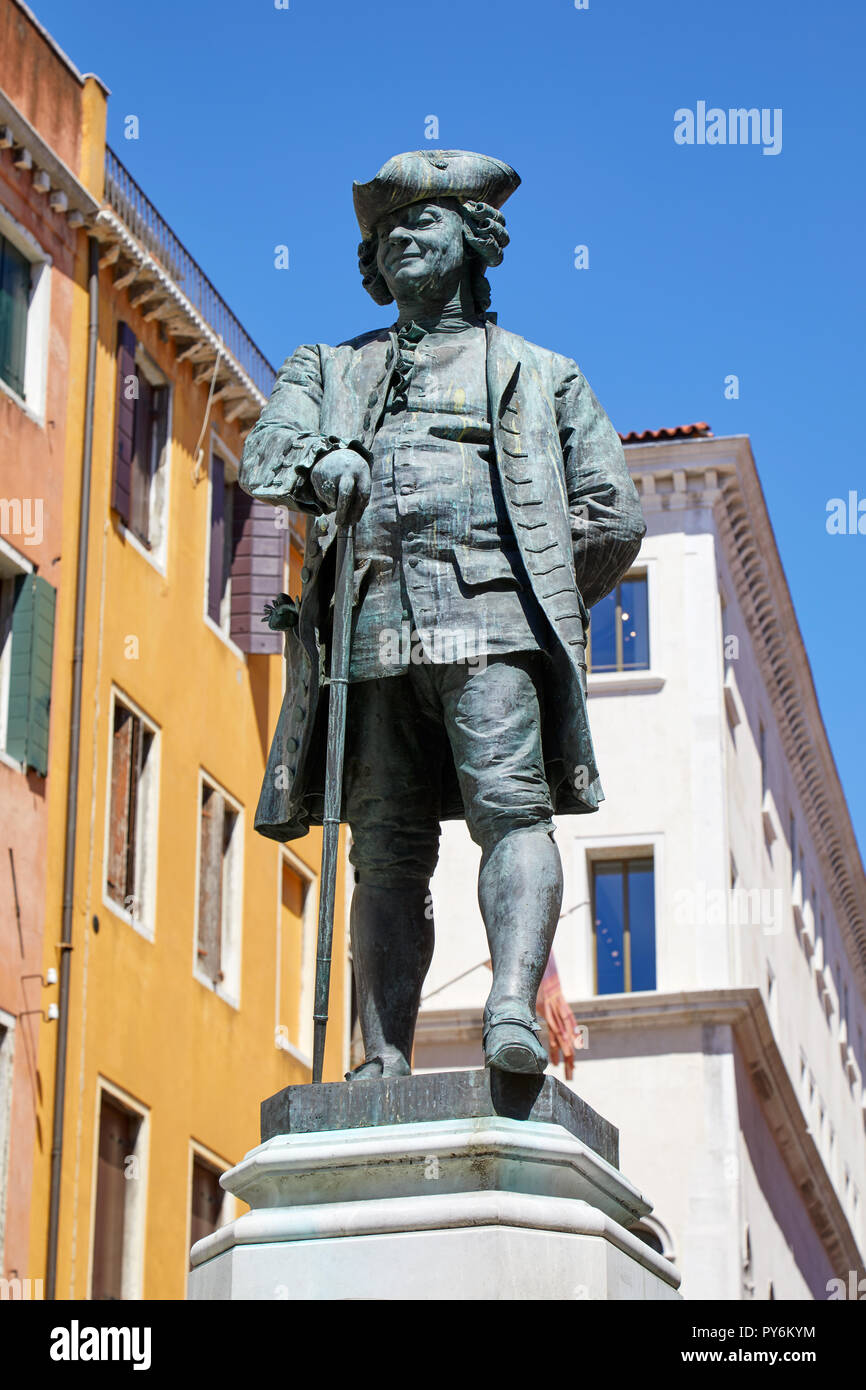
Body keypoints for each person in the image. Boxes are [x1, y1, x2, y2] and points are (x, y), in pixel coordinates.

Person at [239, 150, 645, 1078]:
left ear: (476, 237)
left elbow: (613, 517)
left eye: (423, 221)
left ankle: (509, 1009)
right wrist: (316, 466)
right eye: (385, 233)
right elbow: (266, 450)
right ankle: (381, 1059)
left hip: (491, 627)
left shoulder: (542, 375)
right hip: (369, 633)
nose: (399, 239)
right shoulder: (329, 367)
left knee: (514, 813)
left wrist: (534, 587)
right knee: (383, 849)